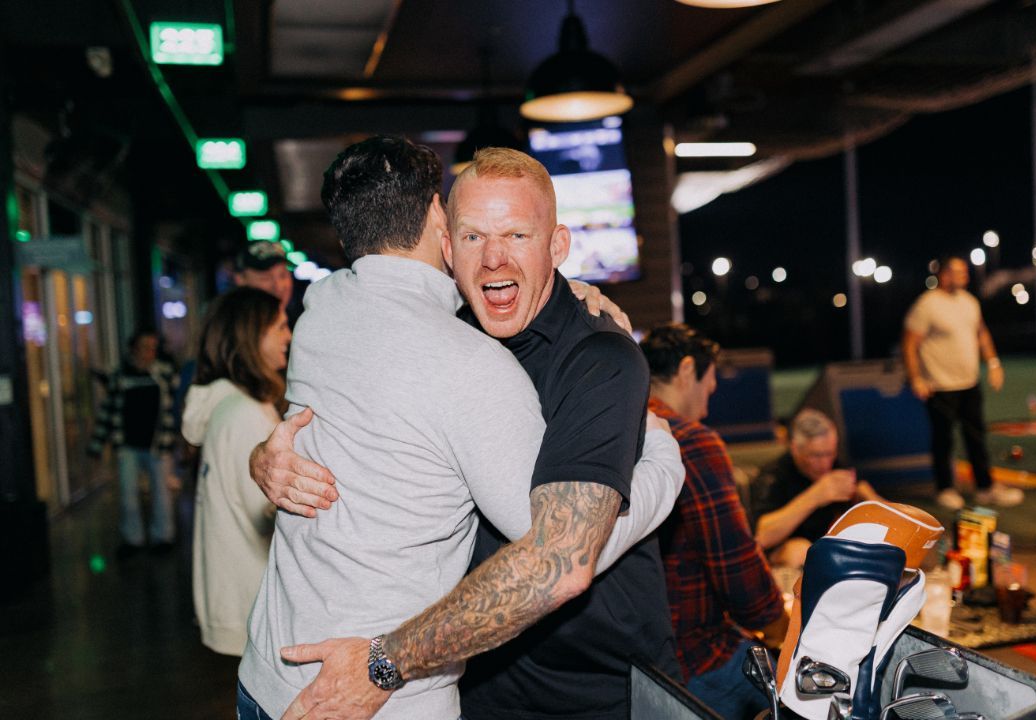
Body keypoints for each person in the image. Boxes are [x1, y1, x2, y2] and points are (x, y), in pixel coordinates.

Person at [238, 138, 684, 720]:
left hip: (586, 692)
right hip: (449, 681)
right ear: (444, 239)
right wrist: (264, 458)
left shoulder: (326, 306)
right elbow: (557, 559)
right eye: (472, 235)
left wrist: (658, 461)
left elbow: (559, 560)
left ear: (557, 245)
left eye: (518, 236)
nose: (494, 258)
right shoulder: (454, 343)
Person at [641, 323, 787, 720]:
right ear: (688, 369)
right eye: (709, 385)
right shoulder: (690, 441)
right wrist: (784, 633)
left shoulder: (614, 427)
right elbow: (739, 576)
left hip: (631, 658)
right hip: (692, 658)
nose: (707, 404)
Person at [180, 287, 291, 657]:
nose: (288, 336)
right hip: (252, 597)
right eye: (279, 326)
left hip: (232, 594)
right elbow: (266, 509)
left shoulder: (226, 406)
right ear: (251, 336)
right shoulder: (244, 413)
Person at [902, 255, 1023, 511]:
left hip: (969, 382)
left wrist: (993, 363)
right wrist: (916, 378)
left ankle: (984, 488)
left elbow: (981, 332)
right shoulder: (927, 304)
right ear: (944, 275)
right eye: (958, 272)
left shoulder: (969, 302)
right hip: (940, 385)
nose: (964, 276)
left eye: (965, 271)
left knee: (976, 436)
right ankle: (945, 488)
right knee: (943, 440)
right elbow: (910, 343)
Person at [752, 408, 884, 569]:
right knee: (800, 550)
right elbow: (763, 536)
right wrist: (815, 496)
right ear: (795, 448)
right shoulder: (773, 476)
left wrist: (872, 502)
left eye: (830, 453)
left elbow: (873, 500)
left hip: (827, 551)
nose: (825, 463)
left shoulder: (835, 467)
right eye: (815, 456)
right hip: (783, 558)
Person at [89, 328, 178, 558]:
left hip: (158, 444)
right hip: (127, 444)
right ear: (133, 349)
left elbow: (178, 406)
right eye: (144, 347)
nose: (149, 352)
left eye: (153, 347)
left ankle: (163, 538)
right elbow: (108, 411)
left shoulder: (165, 374)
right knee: (128, 495)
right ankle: (133, 539)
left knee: (161, 494)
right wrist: (97, 444)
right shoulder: (121, 376)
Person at [235, 240, 294, 312]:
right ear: (240, 280)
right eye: (265, 278)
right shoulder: (229, 321)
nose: (279, 286)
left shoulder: (301, 320)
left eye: (283, 275)